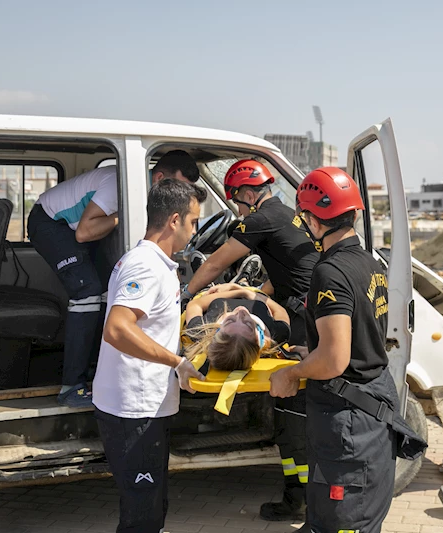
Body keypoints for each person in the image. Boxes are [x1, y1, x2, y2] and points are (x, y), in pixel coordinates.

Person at [269, 167, 419, 533]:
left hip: (349, 418)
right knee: (346, 516)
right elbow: (360, 337)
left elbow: (335, 359)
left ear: (310, 219)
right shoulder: (370, 263)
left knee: (344, 520)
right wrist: (311, 352)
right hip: (370, 404)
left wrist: (292, 372)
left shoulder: (330, 271)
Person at [182, 159, 319, 521]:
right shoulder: (285, 215)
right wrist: (253, 294)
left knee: (294, 417)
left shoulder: (259, 219)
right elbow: (286, 273)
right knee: (292, 414)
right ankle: (300, 494)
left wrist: (186, 294)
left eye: (236, 201)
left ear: (246, 193)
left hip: (304, 319)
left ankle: (300, 500)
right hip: (301, 311)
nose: (237, 208)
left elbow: (213, 264)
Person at [27, 150, 200, 407]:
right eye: (179, 187)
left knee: (110, 291)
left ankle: (97, 369)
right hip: (51, 223)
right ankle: (71, 386)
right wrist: (124, 215)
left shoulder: (149, 193)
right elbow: (84, 233)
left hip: (71, 228)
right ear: (159, 178)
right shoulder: (121, 187)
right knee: (86, 292)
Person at [91, 178, 207, 533]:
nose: (194, 231)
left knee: (152, 505)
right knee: (142, 514)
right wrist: (177, 362)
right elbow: (118, 329)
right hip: (134, 410)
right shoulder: (145, 265)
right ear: (174, 220)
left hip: (146, 407)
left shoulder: (155, 262)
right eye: (193, 222)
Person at [183, 282, 291, 371]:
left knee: (206, 287)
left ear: (217, 331)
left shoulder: (200, 331)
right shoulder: (277, 334)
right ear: (261, 338)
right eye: (248, 324)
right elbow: (280, 311)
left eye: (230, 320)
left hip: (213, 293)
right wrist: (244, 291)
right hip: (253, 293)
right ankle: (244, 280)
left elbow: (194, 305)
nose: (240, 313)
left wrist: (232, 290)